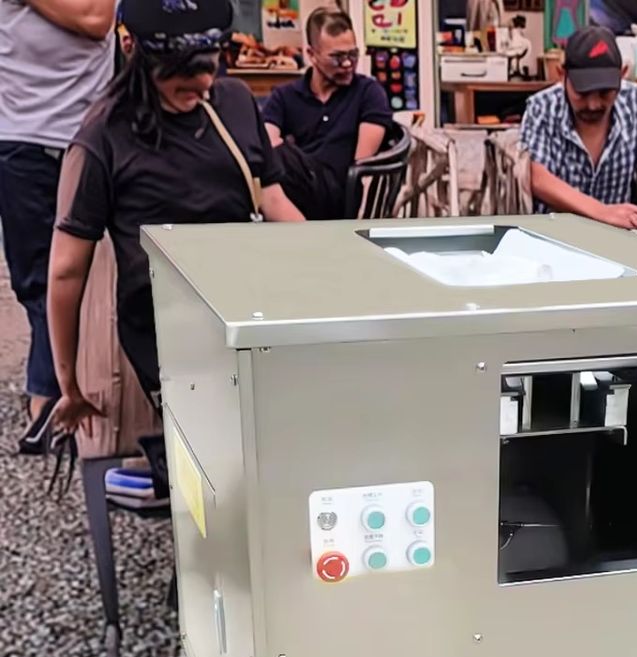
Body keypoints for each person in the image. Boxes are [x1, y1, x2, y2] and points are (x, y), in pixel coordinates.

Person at [48, 0, 304, 434]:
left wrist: (332, 269)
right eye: (182, 75)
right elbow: (66, 269)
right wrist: (68, 383)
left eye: (208, 67)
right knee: (214, 443)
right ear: (131, 50)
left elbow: (273, 200)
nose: (202, 86)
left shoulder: (235, 102)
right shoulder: (103, 137)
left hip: (250, 307)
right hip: (167, 329)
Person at [0, 0, 116, 453]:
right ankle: (51, 398)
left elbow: (97, 19)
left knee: (94, 275)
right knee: (37, 281)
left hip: (90, 136)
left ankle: (68, 396)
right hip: (23, 137)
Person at [520, 25, 637, 243]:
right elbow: (535, 177)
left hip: (616, 243)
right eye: (582, 93)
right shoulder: (542, 108)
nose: (593, 104)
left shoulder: (636, 101)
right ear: (562, 75)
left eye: (605, 92)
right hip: (553, 242)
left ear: (622, 75)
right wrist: (601, 212)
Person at [262, 9, 392, 219]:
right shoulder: (285, 96)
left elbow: (363, 164)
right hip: (294, 190)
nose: (347, 64)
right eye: (337, 57)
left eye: (353, 55)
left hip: (341, 193)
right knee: (263, 155)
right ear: (311, 55)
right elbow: (265, 144)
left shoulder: (368, 93)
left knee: (279, 156)